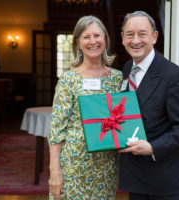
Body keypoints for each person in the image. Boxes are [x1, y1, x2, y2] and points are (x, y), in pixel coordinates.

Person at [119, 11, 179, 200]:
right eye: (130, 34)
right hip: (138, 179)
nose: (136, 40)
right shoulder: (126, 69)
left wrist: (153, 147)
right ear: (123, 38)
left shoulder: (173, 75)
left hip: (172, 181)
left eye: (142, 33)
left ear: (154, 37)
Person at [48, 15, 123, 200]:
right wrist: (54, 170)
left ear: (105, 38)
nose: (93, 41)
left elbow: (124, 119)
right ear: (78, 43)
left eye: (97, 35)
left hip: (106, 165)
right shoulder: (68, 80)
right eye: (86, 37)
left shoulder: (117, 78)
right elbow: (56, 130)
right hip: (74, 166)